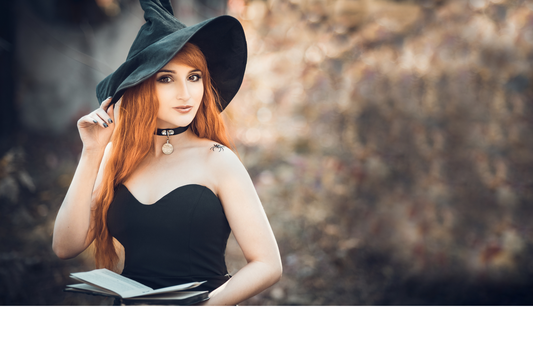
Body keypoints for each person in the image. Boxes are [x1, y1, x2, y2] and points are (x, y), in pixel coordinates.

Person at [52, 0, 282, 306]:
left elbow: (267, 264)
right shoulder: (116, 158)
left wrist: (199, 314)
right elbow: (65, 246)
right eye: (166, 78)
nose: (186, 94)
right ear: (141, 86)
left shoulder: (218, 160)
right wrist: (92, 151)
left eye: (194, 77)